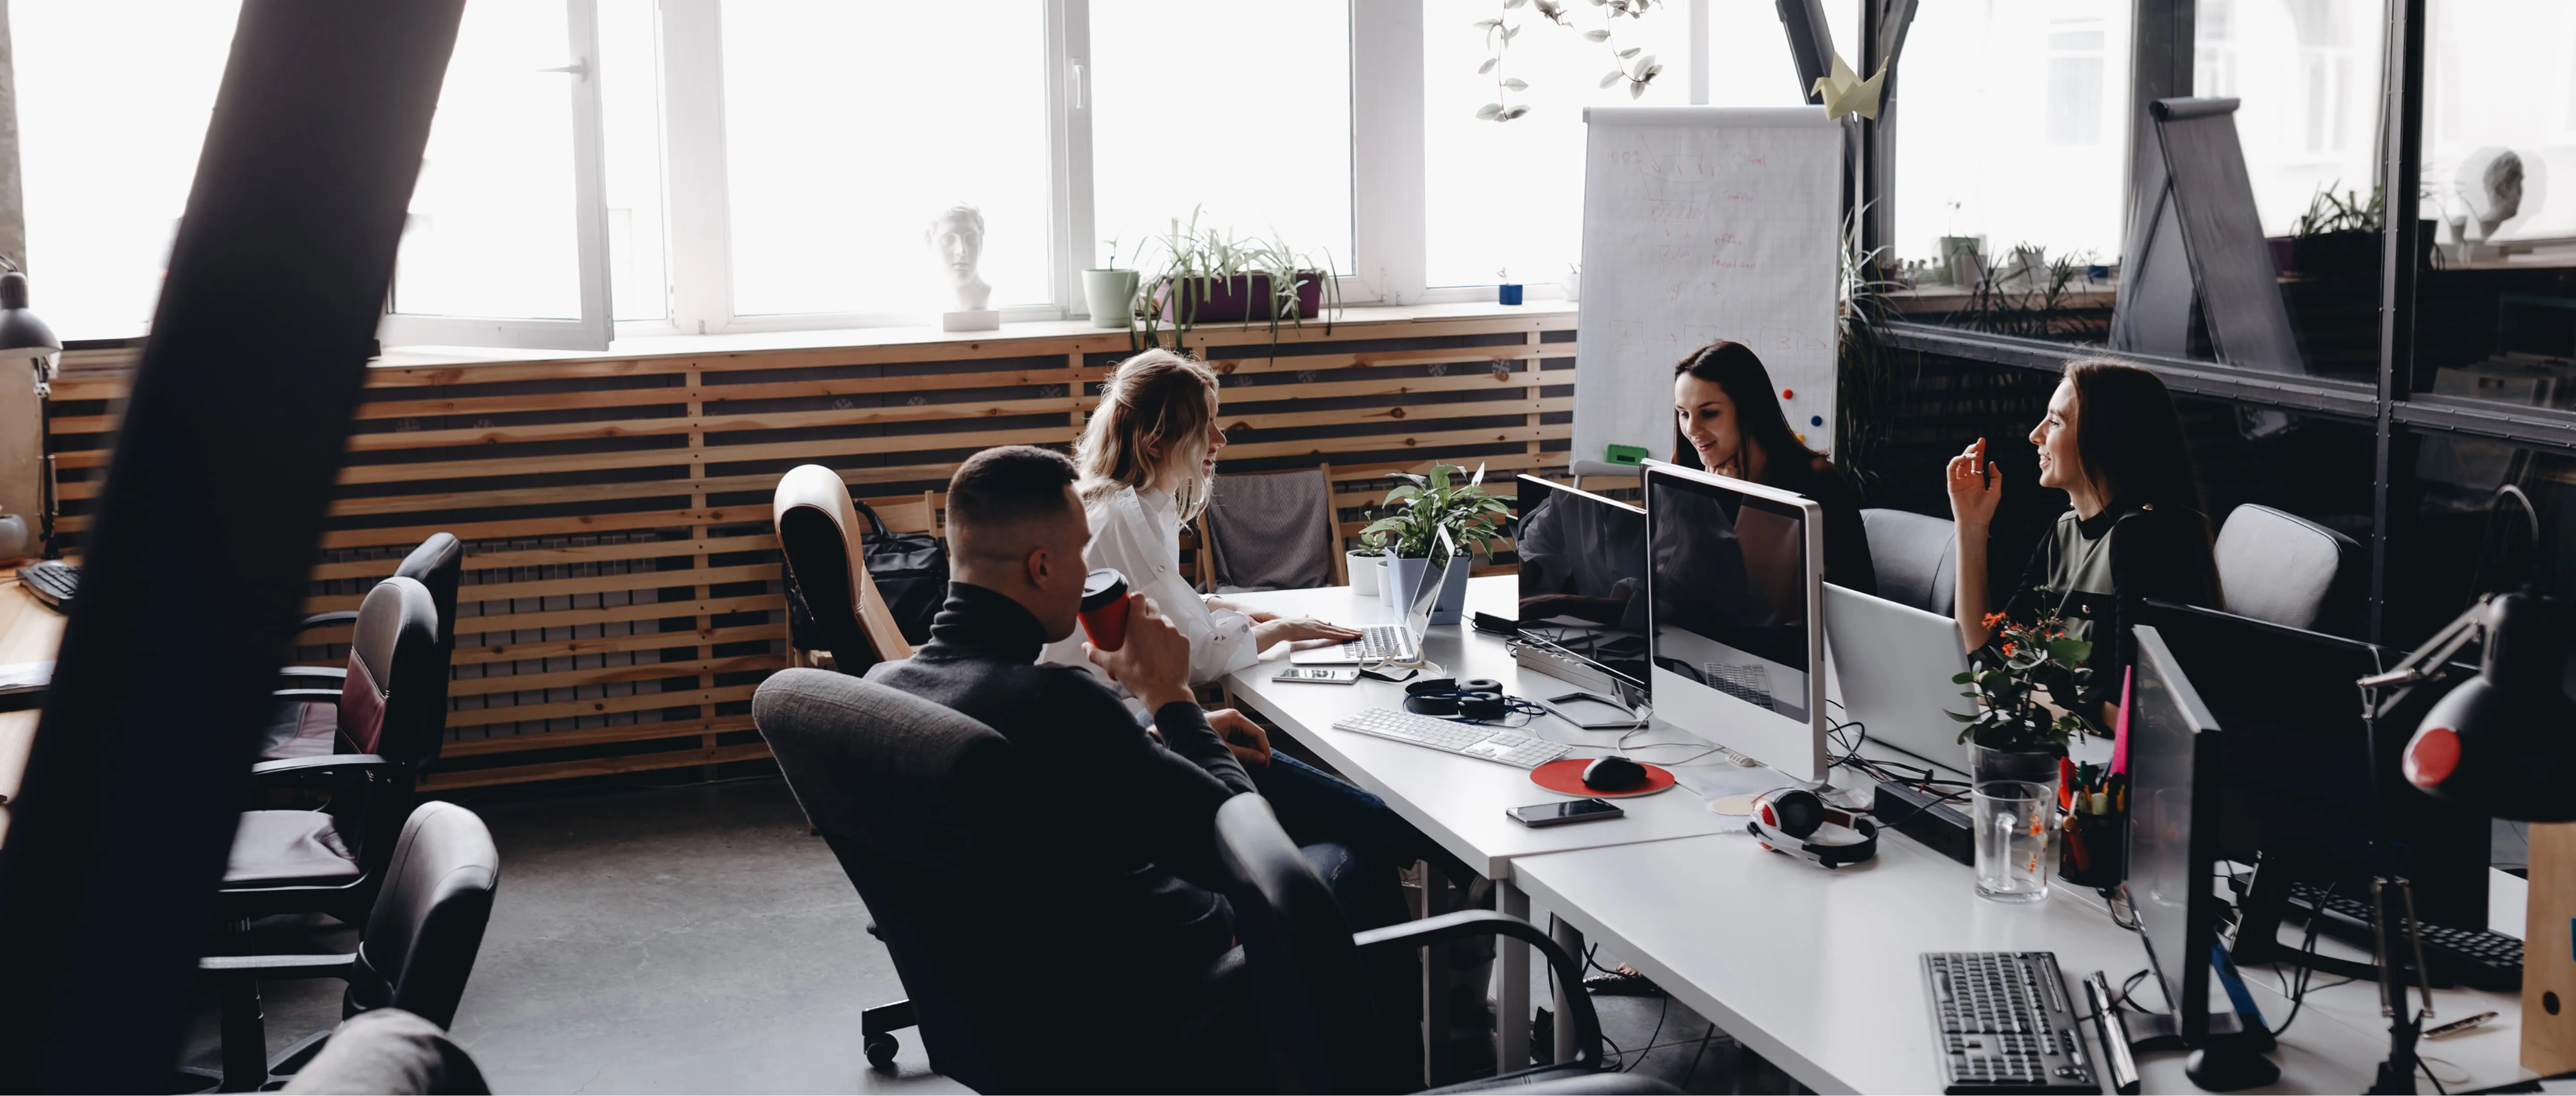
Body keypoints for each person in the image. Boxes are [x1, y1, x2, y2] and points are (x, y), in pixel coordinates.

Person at [1039, 347, 1360, 684]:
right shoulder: (1129, 521)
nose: (1220, 439)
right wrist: (1286, 629)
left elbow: (1157, 599)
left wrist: (1225, 607)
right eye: (1203, 427)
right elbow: (1193, 658)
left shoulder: (1140, 505)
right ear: (1155, 443)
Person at [1945, 359, 2220, 719]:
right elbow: (1986, 656)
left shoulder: (2141, 538)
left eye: (2056, 422)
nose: (2036, 435)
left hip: (2107, 761)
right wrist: (1971, 527)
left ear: (2104, 437)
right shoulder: (2065, 530)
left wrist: (2015, 693)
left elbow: (2127, 709)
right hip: (2066, 740)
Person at [1670, 340, 1878, 597]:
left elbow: (1766, 602)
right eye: (1683, 414)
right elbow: (1671, 572)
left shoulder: (1817, 485)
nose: (1691, 430)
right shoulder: (1690, 468)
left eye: (1709, 413)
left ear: (1749, 410)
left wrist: (1726, 507)